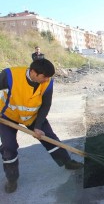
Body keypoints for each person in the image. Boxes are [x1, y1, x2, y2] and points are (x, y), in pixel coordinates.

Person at [0, 59, 83, 193]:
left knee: (49, 137)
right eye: (44, 77)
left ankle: (67, 161)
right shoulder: (9, 75)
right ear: (33, 72)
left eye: (48, 77)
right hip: (8, 116)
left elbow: (46, 104)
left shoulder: (47, 82)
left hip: (33, 116)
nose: (46, 80)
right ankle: (12, 179)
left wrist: (38, 126)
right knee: (9, 147)